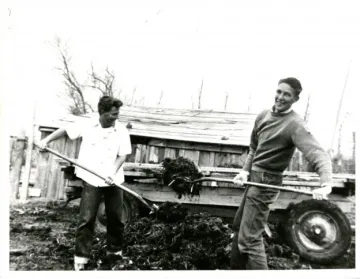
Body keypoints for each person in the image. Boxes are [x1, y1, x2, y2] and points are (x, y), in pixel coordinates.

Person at [230, 77, 333, 270]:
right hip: (253, 179)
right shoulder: (262, 116)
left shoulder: (295, 125)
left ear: (295, 99)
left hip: (267, 181)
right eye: (279, 91)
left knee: (250, 239)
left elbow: (317, 153)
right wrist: (244, 172)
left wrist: (325, 182)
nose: (280, 97)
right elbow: (253, 148)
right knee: (239, 227)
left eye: (287, 94)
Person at [38, 96, 132, 271]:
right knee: (87, 219)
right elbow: (65, 130)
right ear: (102, 113)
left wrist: (112, 172)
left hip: (113, 180)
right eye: (112, 114)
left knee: (116, 218)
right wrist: (46, 141)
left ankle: (115, 255)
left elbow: (123, 154)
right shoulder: (87, 125)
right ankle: (81, 259)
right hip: (91, 178)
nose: (115, 118)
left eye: (117, 114)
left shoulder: (121, 130)